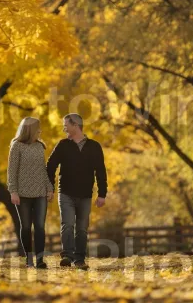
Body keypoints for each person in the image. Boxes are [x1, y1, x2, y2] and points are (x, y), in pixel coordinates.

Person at [47, 113, 108, 270]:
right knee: (67, 224)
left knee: (82, 228)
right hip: (65, 192)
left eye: (66, 124)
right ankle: (67, 255)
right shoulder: (62, 145)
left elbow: (101, 171)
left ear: (75, 125)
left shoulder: (94, 146)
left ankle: (79, 259)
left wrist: (102, 194)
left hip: (86, 195)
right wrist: (50, 188)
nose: (64, 128)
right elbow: (50, 166)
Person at [7, 117, 54, 268]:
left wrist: (49, 188)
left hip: (40, 192)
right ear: (30, 129)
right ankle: (29, 259)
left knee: (40, 226)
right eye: (38, 127)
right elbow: (11, 171)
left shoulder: (40, 146)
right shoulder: (17, 146)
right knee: (26, 227)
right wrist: (13, 191)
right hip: (22, 193)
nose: (40, 130)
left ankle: (40, 260)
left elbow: (42, 169)